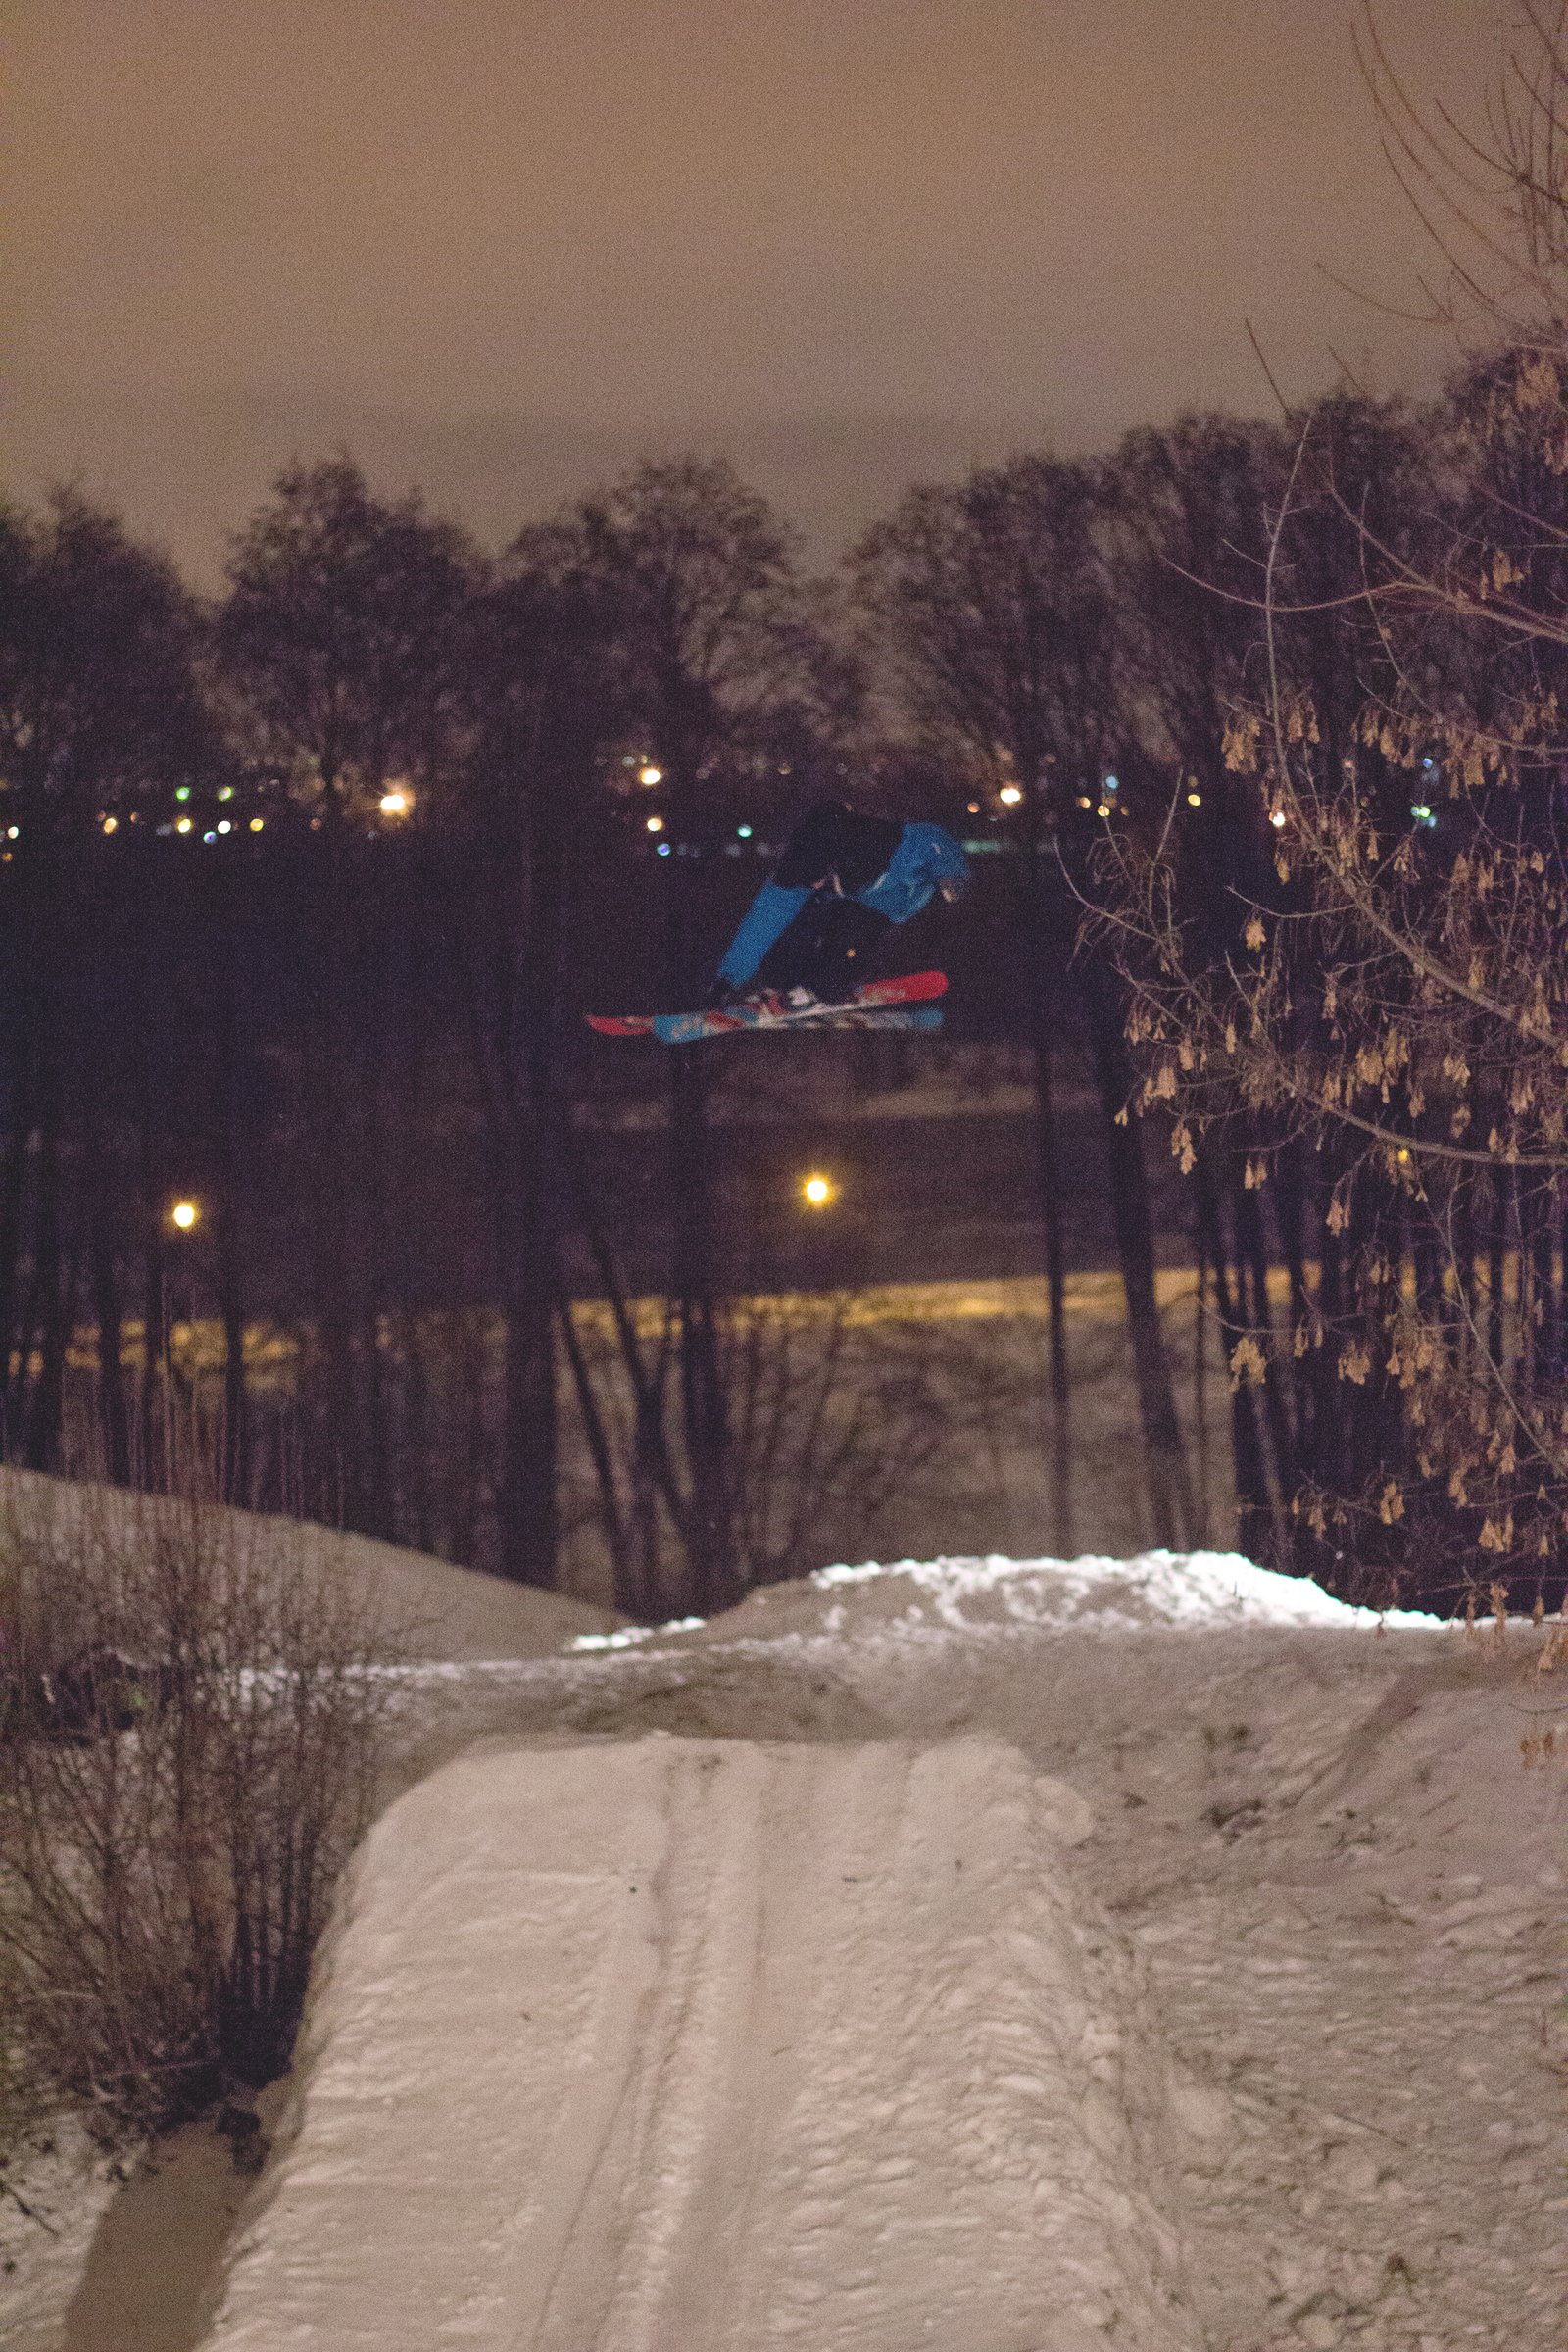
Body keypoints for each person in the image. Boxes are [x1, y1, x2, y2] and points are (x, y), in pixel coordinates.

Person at [712, 800, 968, 1004]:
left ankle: (824, 986)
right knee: (799, 919)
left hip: (894, 901)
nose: (812, 885)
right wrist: (728, 979)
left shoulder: (878, 842)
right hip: (850, 889)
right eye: (811, 881)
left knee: (850, 927)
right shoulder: (792, 874)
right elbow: (761, 925)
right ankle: (780, 980)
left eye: (816, 879)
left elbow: (936, 842)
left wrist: (952, 878)